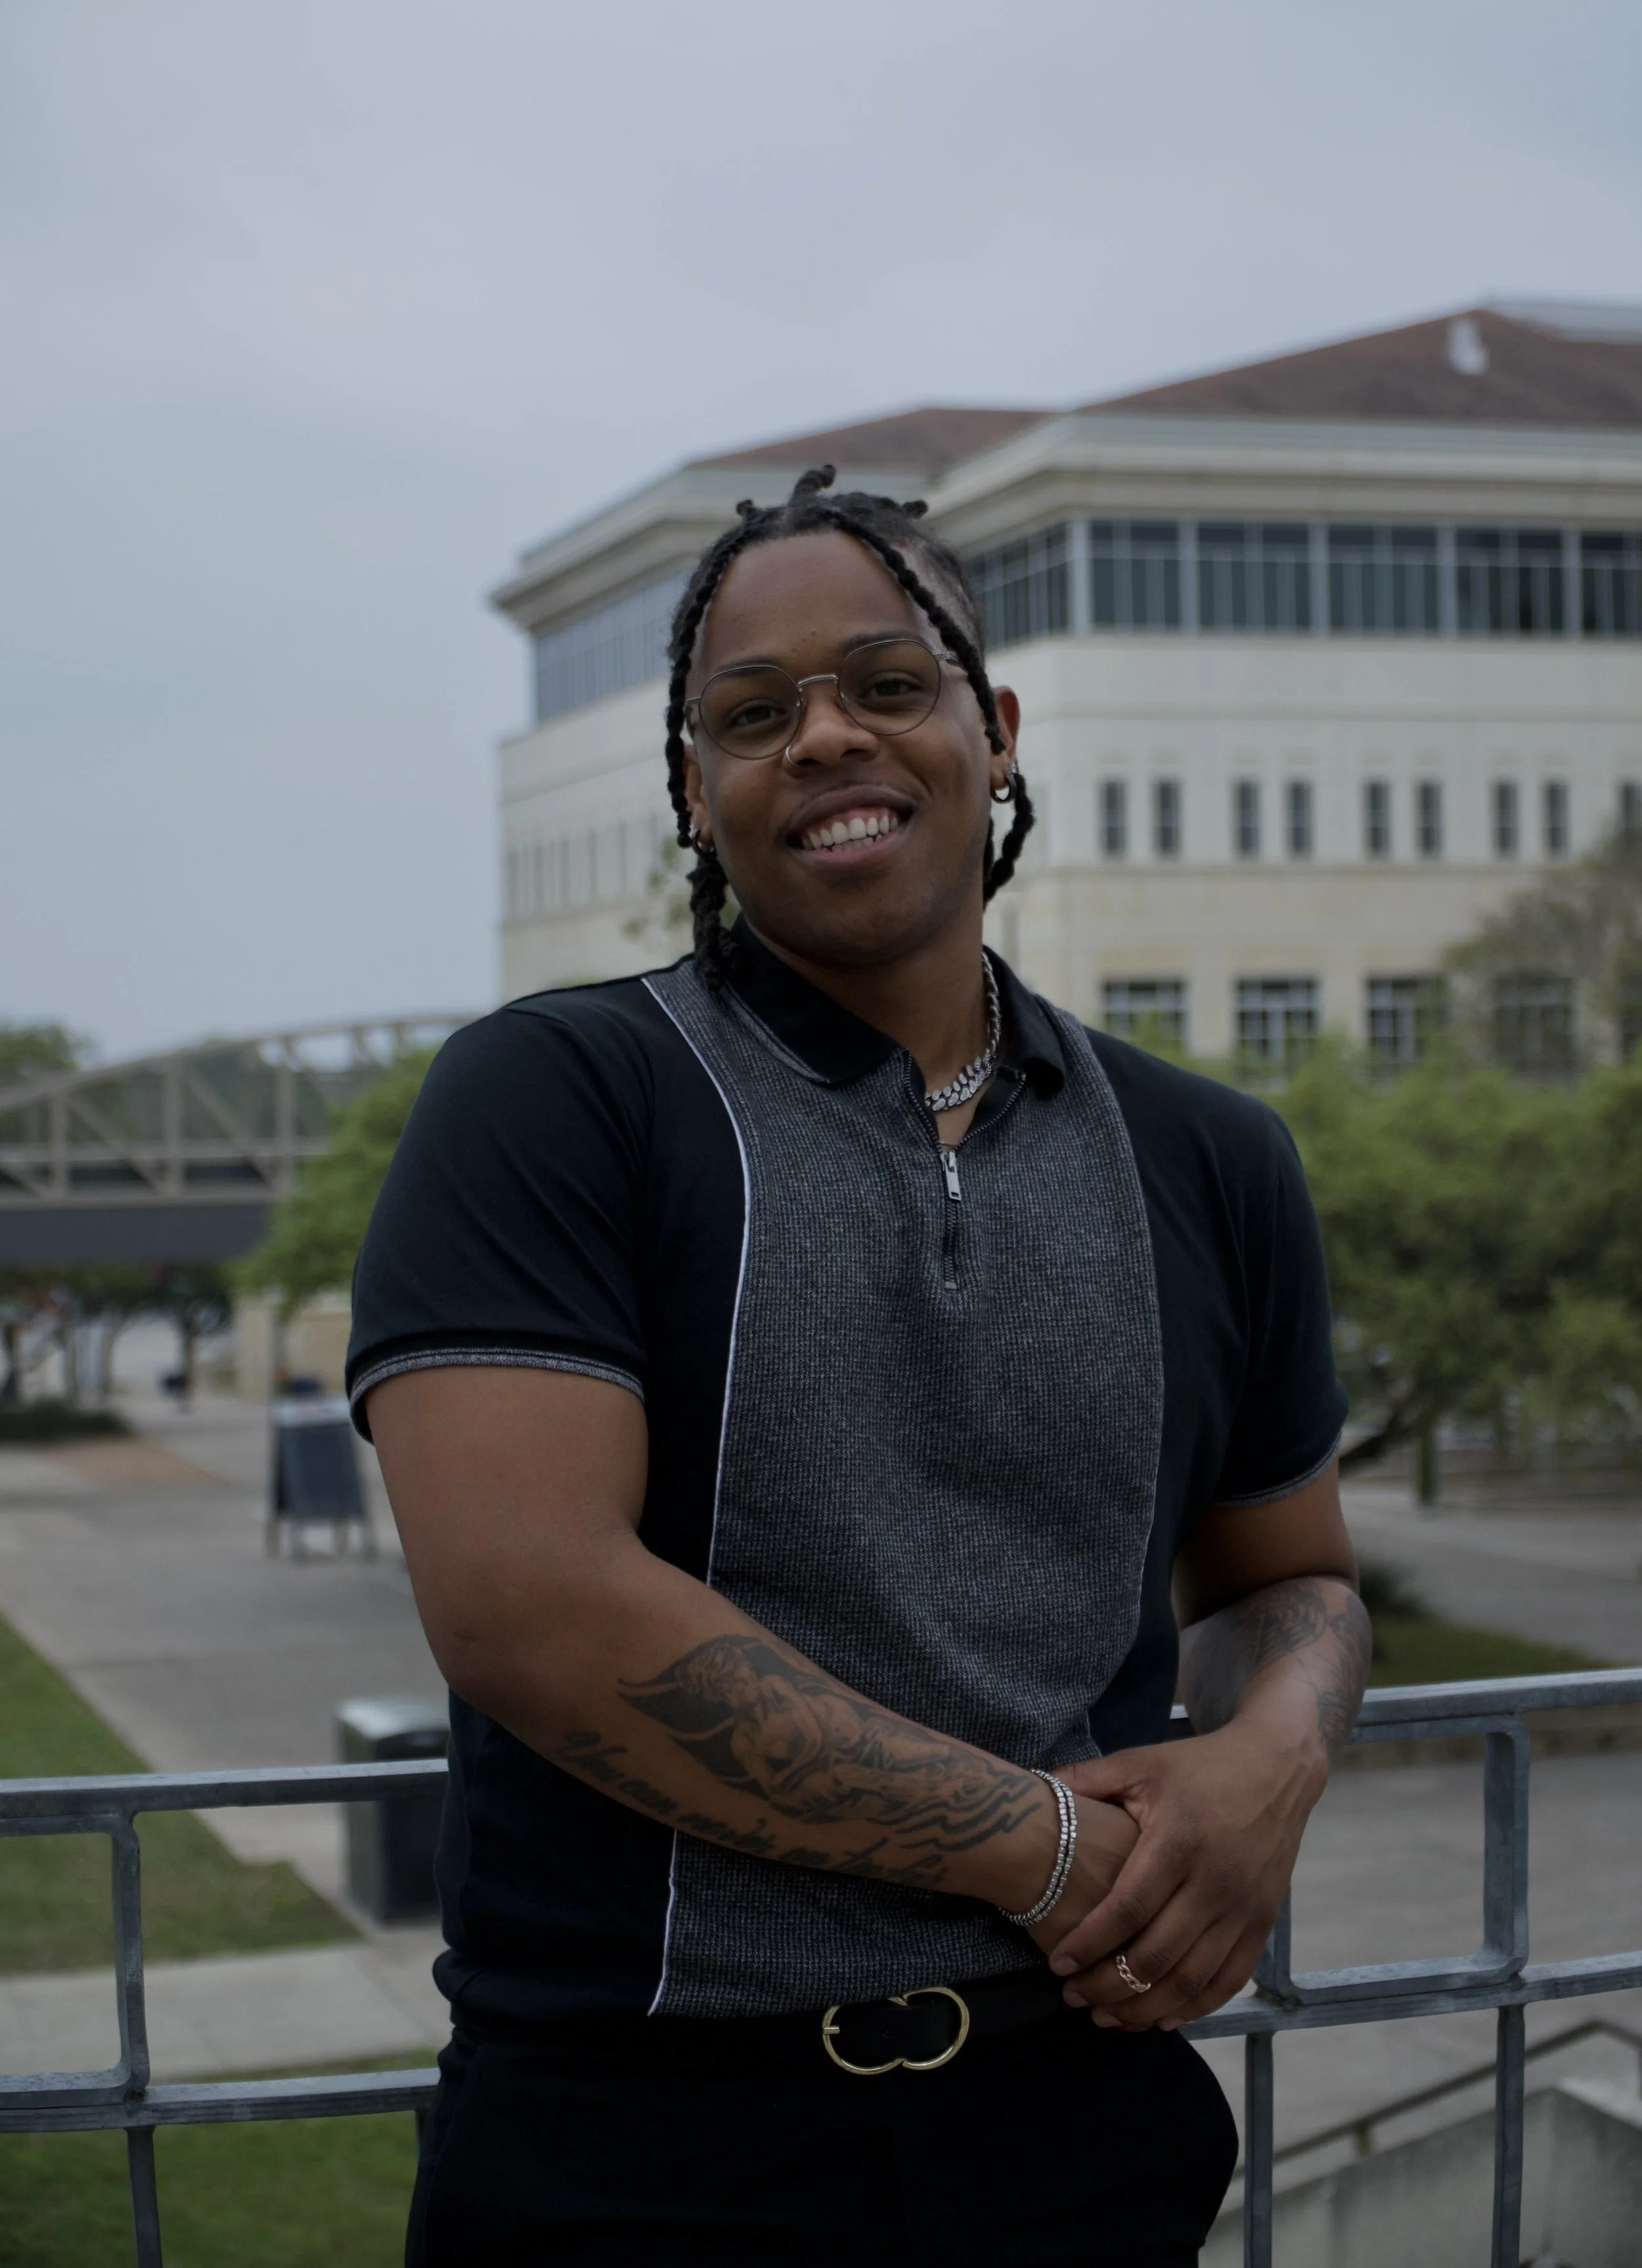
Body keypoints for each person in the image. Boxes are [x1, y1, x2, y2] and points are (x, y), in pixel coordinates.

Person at [348, 468, 1369, 2266]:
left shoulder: (1209, 1155)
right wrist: (1055, 1856)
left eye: (887, 683)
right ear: (691, 788)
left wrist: (1268, 1757)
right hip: (640, 2147)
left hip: (1078, 2115)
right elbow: (529, 1604)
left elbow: (1286, 1581)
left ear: (992, 726)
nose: (823, 734)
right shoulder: (560, 1097)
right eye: (751, 715)